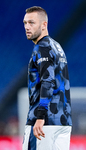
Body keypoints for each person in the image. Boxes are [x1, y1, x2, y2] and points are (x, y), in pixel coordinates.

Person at [22, 6, 72, 150]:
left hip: (44, 122)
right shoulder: (57, 46)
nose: (27, 27)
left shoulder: (42, 47)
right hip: (63, 122)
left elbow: (47, 81)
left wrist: (40, 116)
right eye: (25, 23)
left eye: (31, 23)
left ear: (44, 25)